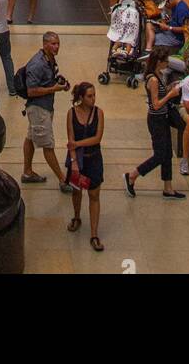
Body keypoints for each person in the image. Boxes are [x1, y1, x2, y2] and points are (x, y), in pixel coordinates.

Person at [123, 48, 186, 199]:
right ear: (159, 62)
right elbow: (156, 104)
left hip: (162, 118)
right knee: (159, 155)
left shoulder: (159, 75)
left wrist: (170, 87)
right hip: (156, 120)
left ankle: (168, 187)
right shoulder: (153, 79)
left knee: (167, 154)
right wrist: (171, 94)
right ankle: (132, 175)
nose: (167, 64)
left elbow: (160, 94)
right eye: (165, 61)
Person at [21, 30, 70, 188]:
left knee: (30, 138)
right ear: (44, 44)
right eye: (53, 44)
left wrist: (59, 84)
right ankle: (62, 180)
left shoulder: (49, 59)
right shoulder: (38, 64)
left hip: (44, 107)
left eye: (58, 43)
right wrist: (54, 89)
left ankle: (27, 172)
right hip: (38, 109)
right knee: (48, 145)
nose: (56, 47)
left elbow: (47, 81)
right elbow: (31, 91)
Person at [65, 82, 105, 251]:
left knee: (94, 195)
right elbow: (70, 138)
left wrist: (77, 144)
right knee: (76, 191)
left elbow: (97, 138)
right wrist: (74, 162)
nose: (93, 98)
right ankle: (76, 216)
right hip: (79, 161)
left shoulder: (99, 113)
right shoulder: (71, 113)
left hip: (94, 159)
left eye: (94, 95)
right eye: (89, 96)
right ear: (81, 97)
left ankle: (94, 233)